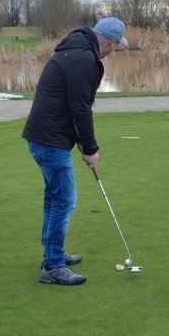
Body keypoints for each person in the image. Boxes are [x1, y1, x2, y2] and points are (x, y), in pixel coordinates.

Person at [22, 16, 128, 286]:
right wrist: (90, 148)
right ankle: (52, 266)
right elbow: (81, 109)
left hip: (43, 137)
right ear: (110, 43)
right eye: (116, 45)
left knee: (54, 197)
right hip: (49, 140)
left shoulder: (77, 50)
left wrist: (81, 140)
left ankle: (52, 253)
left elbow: (74, 104)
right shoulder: (83, 59)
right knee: (65, 200)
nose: (114, 50)